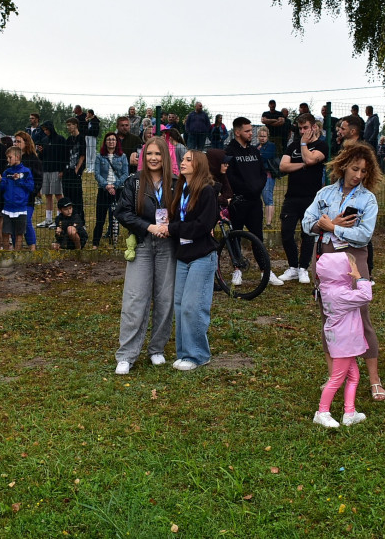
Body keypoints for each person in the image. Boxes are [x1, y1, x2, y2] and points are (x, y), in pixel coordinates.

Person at [303, 143, 385, 400]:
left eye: (363, 170)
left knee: (361, 316)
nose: (358, 175)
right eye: (354, 168)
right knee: (329, 317)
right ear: (343, 165)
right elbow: (307, 224)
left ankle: (374, 379)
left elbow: (363, 236)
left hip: (352, 259)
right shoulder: (325, 193)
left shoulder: (367, 199)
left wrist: (333, 227)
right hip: (325, 258)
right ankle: (334, 377)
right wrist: (326, 224)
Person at [114, 136, 176, 375]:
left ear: (165, 157)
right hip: (142, 243)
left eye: (158, 154)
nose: (153, 158)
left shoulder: (175, 183)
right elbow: (123, 213)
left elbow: (184, 211)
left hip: (167, 245)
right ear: (143, 156)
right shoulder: (134, 182)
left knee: (165, 298)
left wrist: (172, 226)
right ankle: (127, 355)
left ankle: (157, 349)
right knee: (135, 298)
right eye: (149, 154)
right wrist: (149, 227)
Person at [168, 151, 219, 371]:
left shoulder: (206, 192)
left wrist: (171, 229)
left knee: (193, 306)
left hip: (202, 256)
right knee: (180, 306)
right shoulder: (181, 190)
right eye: (183, 159)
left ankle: (198, 355)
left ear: (199, 166)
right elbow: (177, 219)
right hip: (183, 256)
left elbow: (202, 226)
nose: (183, 162)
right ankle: (185, 353)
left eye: (189, 160)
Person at [312, 251, 372, 428]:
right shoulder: (341, 294)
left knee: (353, 376)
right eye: (351, 266)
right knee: (337, 378)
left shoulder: (328, 288)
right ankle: (322, 412)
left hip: (344, 341)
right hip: (344, 342)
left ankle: (349, 412)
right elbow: (366, 296)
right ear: (342, 271)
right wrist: (360, 278)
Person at [225, 117, 282, 286]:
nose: (251, 134)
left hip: (255, 202)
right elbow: (230, 176)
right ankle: (237, 270)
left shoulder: (255, 151)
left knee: (257, 237)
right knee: (235, 235)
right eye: (248, 131)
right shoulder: (229, 151)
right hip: (237, 202)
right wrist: (245, 188)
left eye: (251, 131)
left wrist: (257, 187)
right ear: (237, 132)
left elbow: (262, 173)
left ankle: (266, 271)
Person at [275, 113, 327, 284]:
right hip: (292, 197)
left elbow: (311, 159)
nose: (303, 131)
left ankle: (304, 268)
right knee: (287, 232)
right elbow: (283, 166)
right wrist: (303, 164)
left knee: (308, 234)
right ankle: (293, 267)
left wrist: (305, 145)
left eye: (306, 127)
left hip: (311, 198)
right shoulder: (293, 146)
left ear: (313, 127)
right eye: (300, 128)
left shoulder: (321, 145)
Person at [92, 132, 128, 248]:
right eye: (108, 140)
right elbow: (97, 173)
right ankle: (95, 244)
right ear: (105, 142)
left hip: (117, 190)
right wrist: (106, 185)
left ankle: (114, 242)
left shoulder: (122, 156)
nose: (111, 141)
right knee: (100, 218)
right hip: (103, 190)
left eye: (113, 139)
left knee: (115, 218)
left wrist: (115, 186)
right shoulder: (99, 156)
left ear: (116, 142)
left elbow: (125, 173)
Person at [0, 146, 35, 251]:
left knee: (19, 233)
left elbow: (31, 187)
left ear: (17, 157)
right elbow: (2, 189)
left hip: (21, 207)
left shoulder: (26, 172)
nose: (8, 160)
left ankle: (16, 254)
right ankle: (6, 255)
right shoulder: (6, 172)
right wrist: (0, 182)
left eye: (10, 157)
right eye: (7, 158)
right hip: (8, 207)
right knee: (5, 232)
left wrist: (19, 180)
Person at [13, 132, 43, 251]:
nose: (16, 143)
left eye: (19, 141)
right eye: (15, 141)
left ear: (26, 143)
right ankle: (17, 248)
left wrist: (32, 192)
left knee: (26, 221)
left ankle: (32, 247)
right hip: (14, 196)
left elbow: (38, 179)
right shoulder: (13, 158)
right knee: (15, 222)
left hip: (27, 197)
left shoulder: (33, 159)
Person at [38, 120, 66, 227]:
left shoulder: (60, 139)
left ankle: (59, 219)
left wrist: (62, 170)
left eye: (46, 129)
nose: (45, 132)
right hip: (46, 170)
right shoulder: (44, 140)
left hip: (56, 171)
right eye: (44, 130)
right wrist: (41, 152)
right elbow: (41, 157)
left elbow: (64, 156)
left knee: (58, 194)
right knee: (47, 195)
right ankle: (48, 219)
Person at [63, 117, 86, 219]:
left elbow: (82, 155)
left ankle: (80, 218)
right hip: (68, 170)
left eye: (70, 125)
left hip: (76, 170)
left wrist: (77, 169)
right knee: (68, 195)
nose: (68, 127)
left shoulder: (81, 138)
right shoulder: (69, 139)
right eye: (67, 125)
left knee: (77, 196)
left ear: (75, 125)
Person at [257, 126, 278, 227]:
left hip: (268, 175)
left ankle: (268, 222)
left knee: (267, 198)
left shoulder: (271, 146)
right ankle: (260, 221)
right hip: (257, 175)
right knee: (258, 199)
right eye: (260, 136)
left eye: (264, 136)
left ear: (267, 136)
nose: (262, 138)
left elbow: (266, 157)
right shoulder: (256, 146)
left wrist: (258, 155)